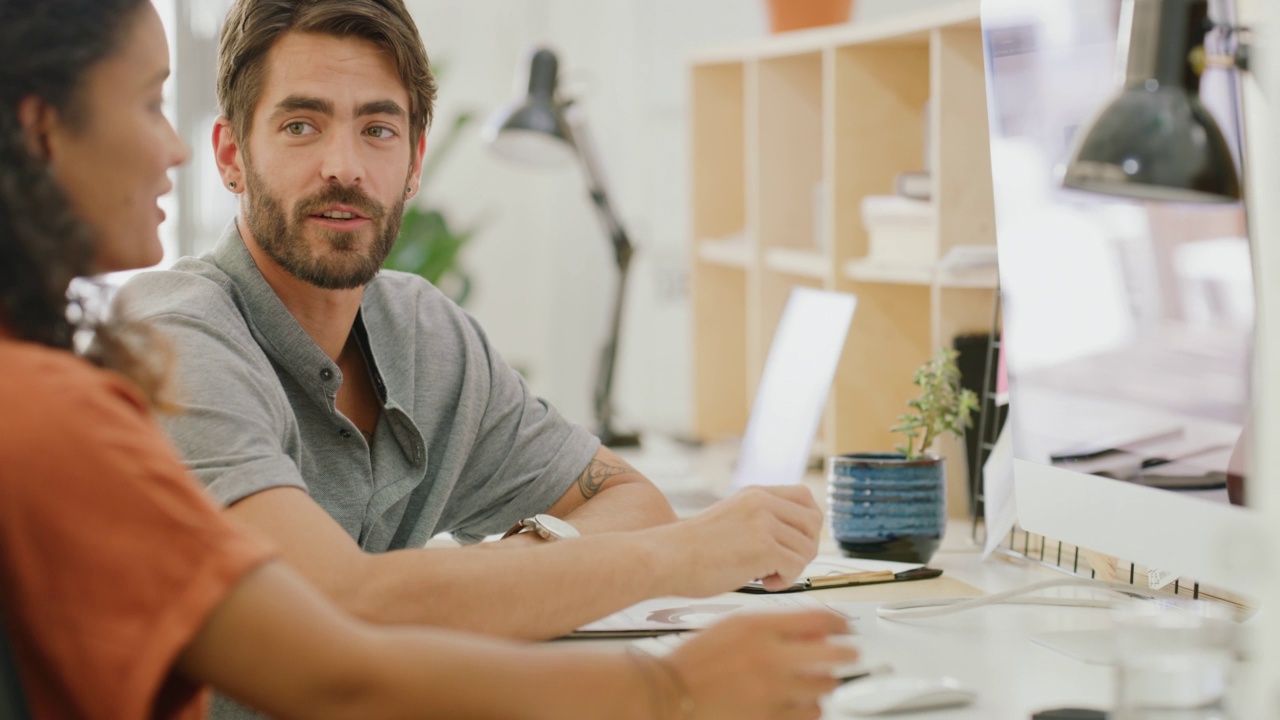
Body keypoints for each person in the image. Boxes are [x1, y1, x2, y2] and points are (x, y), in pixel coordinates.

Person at [0, 0, 858, 718]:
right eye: (301, 124)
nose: (343, 166)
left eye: (377, 129)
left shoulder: (422, 330)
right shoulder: (146, 352)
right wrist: (677, 632)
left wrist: (504, 574)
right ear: (234, 154)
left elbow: (627, 502)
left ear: (414, 160)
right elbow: (337, 637)